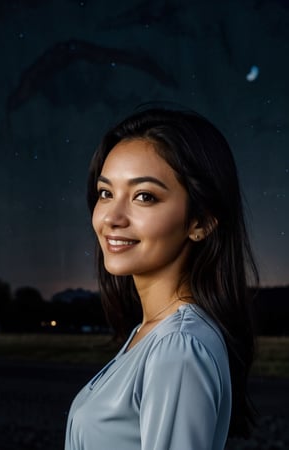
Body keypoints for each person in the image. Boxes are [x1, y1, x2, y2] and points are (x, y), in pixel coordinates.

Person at [65, 107, 258, 450]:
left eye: (144, 196)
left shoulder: (179, 347)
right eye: (106, 193)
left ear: (201, 223)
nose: (112, 217)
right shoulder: (151, 333)